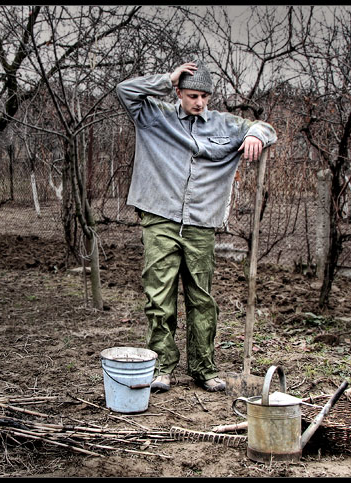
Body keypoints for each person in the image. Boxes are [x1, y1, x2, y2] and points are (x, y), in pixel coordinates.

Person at [116, 60, 277, 392]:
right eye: (192, 95)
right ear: (178, 92)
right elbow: (124, 91)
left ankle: (204, 367)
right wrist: (167, 76)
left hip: (201, 222)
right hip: (160, 217)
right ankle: (161, 366)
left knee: (201, 297)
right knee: (159, 296)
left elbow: (264, 127)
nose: (199, 102)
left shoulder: (223, 124)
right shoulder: (153, 116)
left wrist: (255, 136)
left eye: (204, 96)